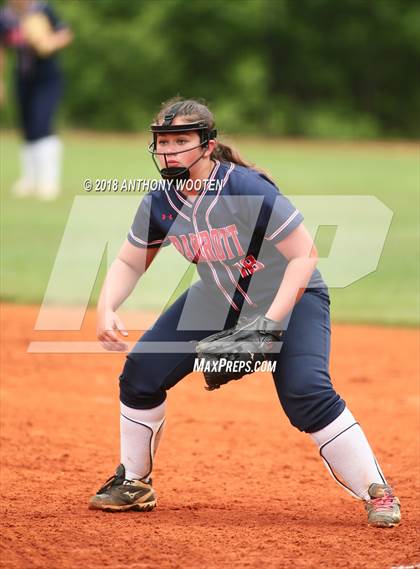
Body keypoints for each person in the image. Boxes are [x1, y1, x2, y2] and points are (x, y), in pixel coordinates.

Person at [89, 98, 401, 528]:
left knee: (306, 392)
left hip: (293, 298)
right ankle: (134, 482)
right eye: (163, 142)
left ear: (207, 145)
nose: (170, 151)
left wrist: (270, 324)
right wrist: (106, 306)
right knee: (141, 373)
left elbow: (304, 255)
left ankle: (377, 491)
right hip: (218, 298)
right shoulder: (160, 203)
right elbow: (129, 262)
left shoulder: (245, 189)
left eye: (182, 140)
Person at [0, 0, 73, 200]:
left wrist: (50, 42)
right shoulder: (6, 17)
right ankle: (29, 179)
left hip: (47, 79)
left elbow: (66, 33)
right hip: (23, 79)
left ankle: (49, 181)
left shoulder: (43, 9)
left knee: (42, 124)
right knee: (27, 128)